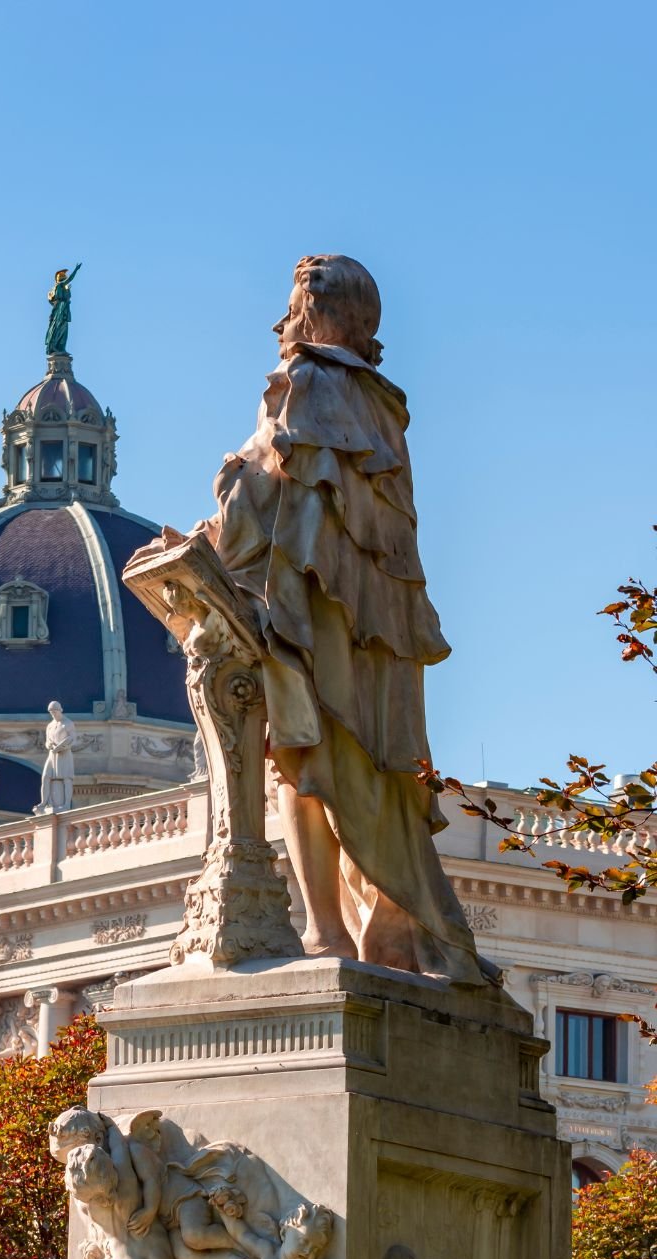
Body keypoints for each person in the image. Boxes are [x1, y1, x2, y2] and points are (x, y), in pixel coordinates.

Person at [205, 254, 495, 985]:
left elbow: (258, 511)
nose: (282, 322)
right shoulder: (381, 407)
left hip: (309, 614)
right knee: (349, 767)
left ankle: (328, 930)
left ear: (310, 312)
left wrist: (220, 508)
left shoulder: (304, 386)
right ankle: (377, 928)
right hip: (371, 631)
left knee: (301, 765)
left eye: (292, 307)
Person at [35, 701, 78, 813]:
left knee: (66, 779)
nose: (53, 714)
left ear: (60, 710)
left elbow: (73, 739)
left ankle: (67, 804)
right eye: (51, 713)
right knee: (45, 777)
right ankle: (43, 802)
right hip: (52, 754)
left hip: (64, 754)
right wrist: (48, 744)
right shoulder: (50, 725)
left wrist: (62, 747)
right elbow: (47, 741)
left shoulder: (68, 723)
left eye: (55, 712)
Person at [45, 264, 81, 356]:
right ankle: (55, 346)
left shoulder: (60, 287)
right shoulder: (60, 285)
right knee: (59, 326)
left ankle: (61, 347)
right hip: (60, 309)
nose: (66, 280)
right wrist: (76, 270)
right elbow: (70, 279)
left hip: (62, 308)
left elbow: (57, 299)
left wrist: (67, 291)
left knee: (63, 327)